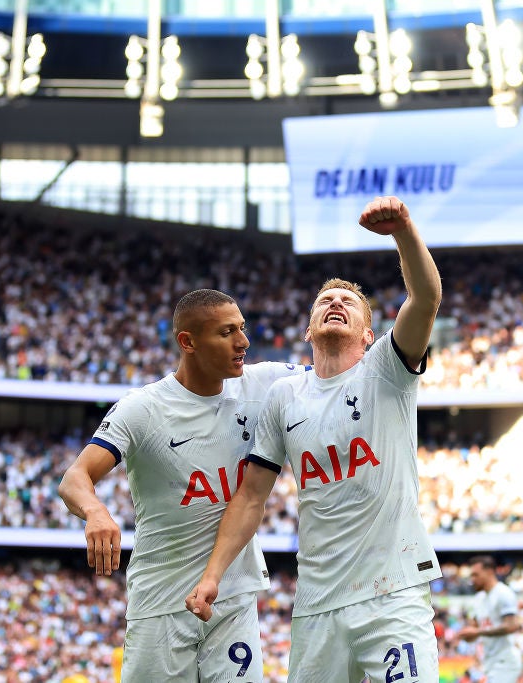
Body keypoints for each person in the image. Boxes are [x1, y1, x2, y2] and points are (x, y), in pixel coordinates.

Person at [186, 195, 443, 683]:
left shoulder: (386, 371)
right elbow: (250, 497)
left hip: (392, 592)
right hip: (318, 601)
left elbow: (426, 298)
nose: (336, 303)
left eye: (349, 302)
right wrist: (213, 574)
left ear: (370, 335)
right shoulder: (286, 396)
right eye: (325, 300)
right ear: (308, 329)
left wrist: (403, 231)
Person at [58, 288, 308, 682]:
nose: (243, 342)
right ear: (187, 342)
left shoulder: (266, 383)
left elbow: (339, 375)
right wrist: (94, 510)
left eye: (242, 329)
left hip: (233, 596)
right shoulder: (143, 409)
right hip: (161, 601)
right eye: (226, 333)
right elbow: (75, 476)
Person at [458, 555, 522, 683]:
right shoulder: (478, 598)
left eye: (476, 575)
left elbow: (512, 626)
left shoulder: (503, 593)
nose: (472, 579)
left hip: (505, 661)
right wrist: (466, 634)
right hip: (489, 661)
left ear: (490, 572)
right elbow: (474, 630)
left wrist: (477, 632)